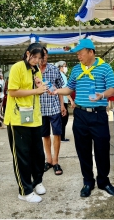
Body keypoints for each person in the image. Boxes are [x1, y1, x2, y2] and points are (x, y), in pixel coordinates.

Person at [53, 39, 114, 197]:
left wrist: (102, 95)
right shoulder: (77, 69)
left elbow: (113, 87)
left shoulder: (104, 67)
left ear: (91, 52)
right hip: (80, 115)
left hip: (98, 115)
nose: (78, 56)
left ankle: (103, 181)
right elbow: (69, 88)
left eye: (80, 53)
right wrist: (56, 91)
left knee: (102, 150)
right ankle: (88, 181)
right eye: (77, 53)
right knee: (83, 150)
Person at [4, 43, 48, 203]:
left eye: (39, 58)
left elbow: (39, 91)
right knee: (22, 156)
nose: (36, 60)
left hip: (34, 119)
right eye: (34, 57)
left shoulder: (36, 70)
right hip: (18, 119)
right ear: (27, 53)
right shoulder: (17, 68)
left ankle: (37, 182)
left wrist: (40, 85)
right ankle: (24, 191)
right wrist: (35, 90)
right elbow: (13, 91)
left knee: (38, 154)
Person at [39, 47, 66, 176]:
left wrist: (62, 105)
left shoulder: (54, 70)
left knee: (57, 133)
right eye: (40, 55)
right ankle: (48, 160)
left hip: (54, 107)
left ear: (47, 56)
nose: (43, 58)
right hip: (40, 109)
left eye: (45, 55)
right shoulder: (33, 70)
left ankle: (55, 161)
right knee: (44, 135)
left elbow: (60, 89)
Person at [55, 61, 75, 142]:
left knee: (63, 119)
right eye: (64, 66)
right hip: (63, 101)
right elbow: (64, 90)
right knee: (64, 119)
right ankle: (61, 137)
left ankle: (61, 136)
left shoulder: (61, 75)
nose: (65, 67)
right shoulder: (61, 75)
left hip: (62, 100)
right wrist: (71, 100)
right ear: (60, 67)